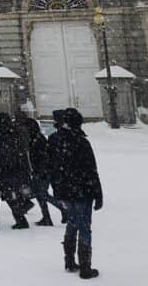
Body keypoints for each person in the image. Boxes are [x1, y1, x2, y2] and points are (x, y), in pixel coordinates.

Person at [49, 108, 103, 279]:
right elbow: (91, 169)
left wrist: (57, 187)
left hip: (65, 189)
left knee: (72, 223)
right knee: (84, 227)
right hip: (82, 189)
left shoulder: (54, 140)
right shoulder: (81, 142)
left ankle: (69, 260)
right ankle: (85, 266)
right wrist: (98, 192)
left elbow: (51, 167)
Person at [0, 112, 32, 230]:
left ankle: (20, 220)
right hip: (1, 173)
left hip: (4, 174)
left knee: (7, 197)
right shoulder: (3, 138)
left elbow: (3, 158)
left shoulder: (5, 140)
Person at [26, 118, 55, 226]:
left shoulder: (38, 139)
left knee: (42, 194)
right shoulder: (35, 138)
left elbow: (43, 157)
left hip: (42, 171)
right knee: (40, 195)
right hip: (39, 170)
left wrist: (40, 171)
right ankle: (47, 217)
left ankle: (62, 208)